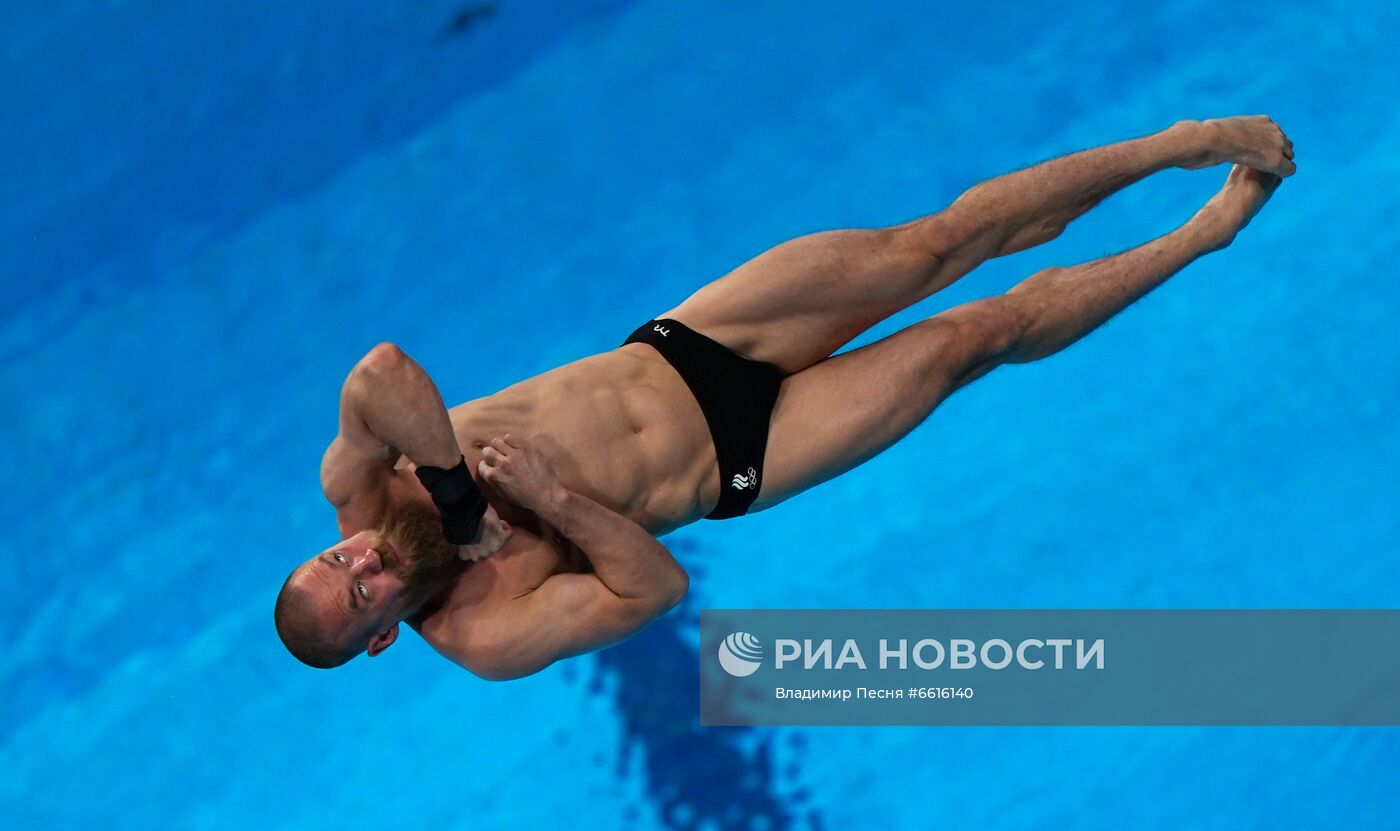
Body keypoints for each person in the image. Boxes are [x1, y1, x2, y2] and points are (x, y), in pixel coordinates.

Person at [275, 116, 1295, 679]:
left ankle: (1176, 144)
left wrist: (458, 504)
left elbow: (381, 372)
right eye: (359, 591)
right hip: (740, 458)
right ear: (377, 636)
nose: (359, 561)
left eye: (335, 559)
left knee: (935, 244)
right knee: (975, 338)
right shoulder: (482, 634)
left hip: (690, 343)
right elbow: (653, 592)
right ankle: (1200, 234)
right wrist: (553, 503)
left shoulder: (361, 483)